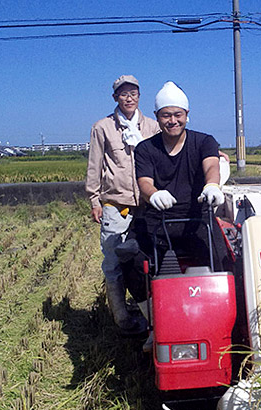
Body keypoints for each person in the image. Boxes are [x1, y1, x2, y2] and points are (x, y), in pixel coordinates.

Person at [124, 81, 230, 351]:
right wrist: (154, 195)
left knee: (226, 262)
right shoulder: (147, 149)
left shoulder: (203, 141)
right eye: (166, 115)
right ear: (157, 117)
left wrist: (212, 186)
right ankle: (155, 323)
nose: (172, 121)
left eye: (177, 114)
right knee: (132, 262)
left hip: (197, 220)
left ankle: (226, 323)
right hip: (158, 221)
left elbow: (211, 165)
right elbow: (144, 182)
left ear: (187, 115)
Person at [85, 74, 160, 335]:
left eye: (134, 93)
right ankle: (123, 319)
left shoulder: (152, 126)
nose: (129, 98)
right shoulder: (102, 127)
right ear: (115, 97)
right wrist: (95, 199)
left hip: (147, 205)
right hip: (116, 205)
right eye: (123, 93)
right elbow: (94, 166)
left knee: (151, 261)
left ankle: (154, 316)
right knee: (114, 262)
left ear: (140, 96)